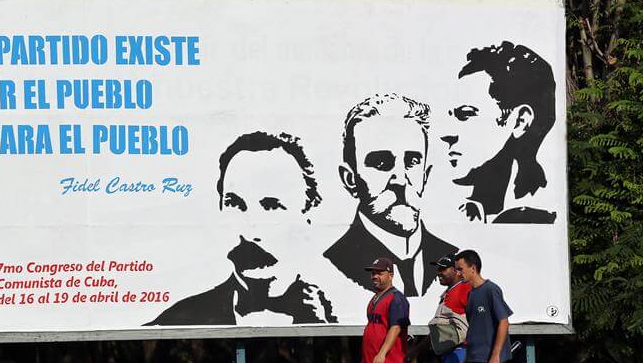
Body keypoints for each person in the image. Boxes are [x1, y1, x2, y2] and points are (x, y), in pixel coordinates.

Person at [146, 131, 336, 326]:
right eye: (235, 204)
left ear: (308, 217)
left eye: (271, 206)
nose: (250, 231)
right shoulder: (178, 319)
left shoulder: (339, 311)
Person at [324, 93, 457, 297]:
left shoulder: (451, 256)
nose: (400, 180)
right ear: (350, 179)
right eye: (381, 163)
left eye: (412, 161)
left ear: (425, 175)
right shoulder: (334, 263)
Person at [438, 42, 557, 224]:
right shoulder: (463, 209)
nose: (446, 134)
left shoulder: (536, 214)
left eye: (465, 114)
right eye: (448, 115)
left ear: (520, 121)